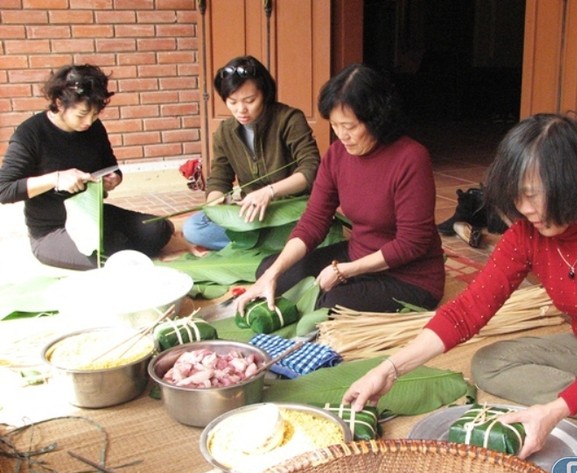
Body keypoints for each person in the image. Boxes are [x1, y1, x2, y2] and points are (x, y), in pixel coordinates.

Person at [343, 113, 577, 458]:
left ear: (573, 182)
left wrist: (556, 410)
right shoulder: (529, 232)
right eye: (516, 196)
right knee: (490, 363)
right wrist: (388, 369)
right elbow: (468, 311)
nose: (523, 209)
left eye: (532, 194)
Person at [233, 63, 445, 313]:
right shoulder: (336, 155)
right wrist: (273, 273)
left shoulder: (411, 158)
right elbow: (314, 220)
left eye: (350, 126)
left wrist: (344, 271)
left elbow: (413, 243)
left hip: (408, 276)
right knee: (271, 270)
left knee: (329, 305)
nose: (342, 135)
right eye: (335, 125)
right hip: (356, 255)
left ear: (377, 120)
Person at [0, 64, 174, 271]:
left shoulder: (94, 128)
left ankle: (119, 244)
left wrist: (113, 178)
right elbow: (4, 190)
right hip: (53, 228)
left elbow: (111, 166)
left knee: (158, 229)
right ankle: (114, 247)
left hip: (92, 215)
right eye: (82, 114)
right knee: (108, 259)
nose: (88, 122)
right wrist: (55, 178)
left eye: (95, 114)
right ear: (59, 103)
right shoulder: (30, 133)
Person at [182, 55, 320, 250]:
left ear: (264, 94)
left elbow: (311, 168)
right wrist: (216, 202)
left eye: (250, 100)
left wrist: (269, 192)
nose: (241, 110)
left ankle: (259, 243)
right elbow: (219, 178)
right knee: (194, 227)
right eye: (232, 102)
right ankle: (276, 245)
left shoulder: (289, 119)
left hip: (292, 209)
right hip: (252, 212)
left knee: (315, 226)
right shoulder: (224, 132)